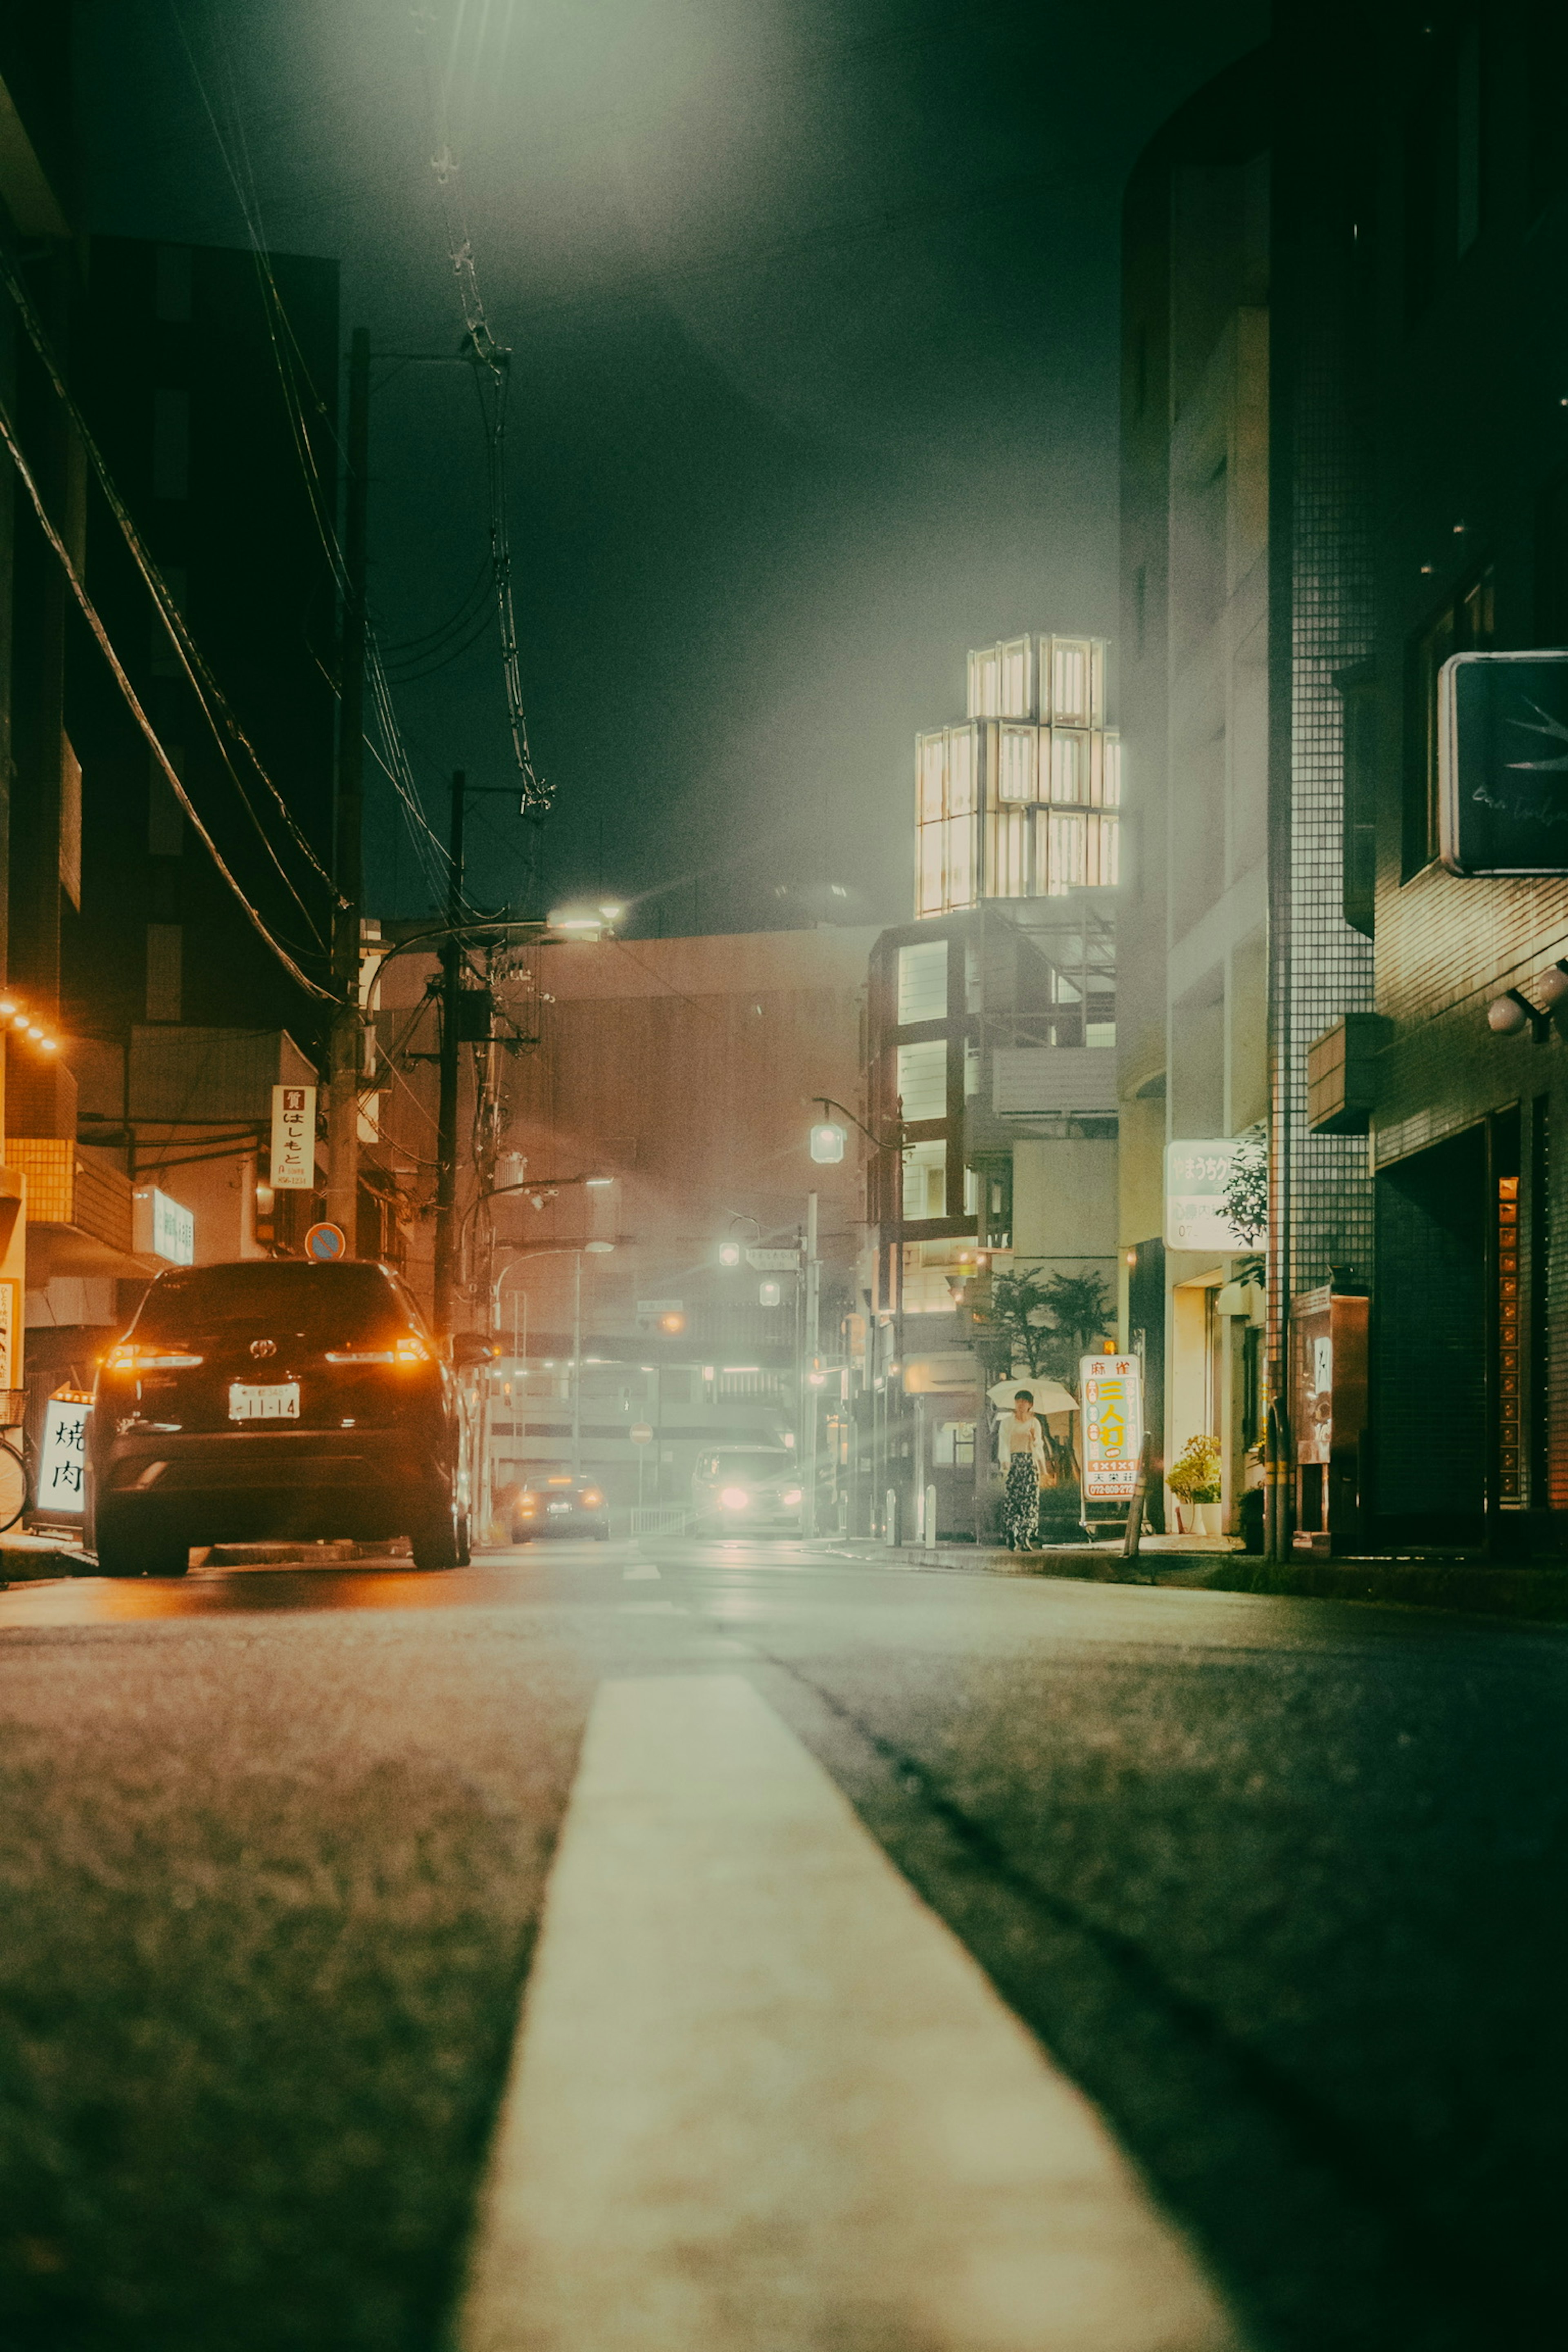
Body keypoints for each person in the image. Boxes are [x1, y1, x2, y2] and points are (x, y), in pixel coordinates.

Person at [1000, 1389, 1046, 1550]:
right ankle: (1011, 1535)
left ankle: (1025, 1536)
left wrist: (1043, 1469)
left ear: (1030, 1405)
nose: (1021, 1404)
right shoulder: (1007, 1423)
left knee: (1030, 1502)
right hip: (1014, 1463)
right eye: (1018, 1401)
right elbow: (1004, 1443)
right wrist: (1005, 1462)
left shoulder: (1035, 1423)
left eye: (1025, 1401)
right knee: (1013, 1501)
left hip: (1030, 1463)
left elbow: (1039, 1446)